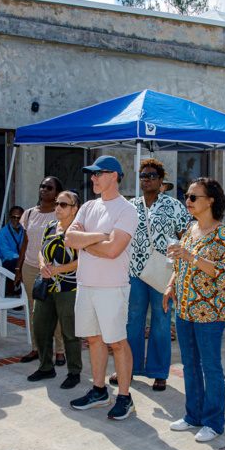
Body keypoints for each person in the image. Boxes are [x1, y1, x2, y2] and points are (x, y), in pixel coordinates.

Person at [64, 156, 139, 420]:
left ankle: (125, 397)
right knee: (94, 339)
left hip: (112, 287)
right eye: (92, 174)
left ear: (114, 176)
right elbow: (69, 238)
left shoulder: (127, 210)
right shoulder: (87, 207)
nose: (93, 178)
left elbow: (113, 251)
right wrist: (100, 237)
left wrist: (84, 243)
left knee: (117, 342)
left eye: (98, 173)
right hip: (86, 285)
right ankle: (99, 391)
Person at [163, 178, 225, 442]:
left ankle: (214, 422)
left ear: (210, 200)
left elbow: (224, 273)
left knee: (210, 366)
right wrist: (170, 285)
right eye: (187, 196)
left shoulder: (222, 234)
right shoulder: (190, 229)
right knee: (190, 364)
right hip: (184, 308)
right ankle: (193, 415)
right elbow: (179, 265)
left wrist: (191, 256)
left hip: (210, 312)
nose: (188, 201)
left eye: (194, 197)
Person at [121, 158, 191, 391]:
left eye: (152, 176)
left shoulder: (174, 206)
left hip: (162, 271)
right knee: (133, 320)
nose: (146, 179)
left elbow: (186, 238)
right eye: (143, 175)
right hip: (134, 271)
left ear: (161, 180)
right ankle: (129, 368)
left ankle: (159, 371)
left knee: (161, 321)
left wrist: (178, 268)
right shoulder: (130, 205)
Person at [26, 190, 84, 389]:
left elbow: (81, 260)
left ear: (75, 209)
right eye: (57, 203)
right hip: (46, 285)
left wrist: (58, 270)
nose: (58, 207)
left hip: (68, 287)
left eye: (64, 204)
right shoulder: (51, 226)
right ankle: (45, 367)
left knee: (70, 332)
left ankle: (74, 371)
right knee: (40, 327)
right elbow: (42, 251)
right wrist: (42, 265)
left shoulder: (79, 230)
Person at [16, 176, 64, 365]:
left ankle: (60, 350)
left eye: (49, 187)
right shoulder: (28, 214)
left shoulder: (61, 213)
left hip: (53, 269)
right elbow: (25, 243)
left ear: (57, 192)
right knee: (34, 309)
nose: (44, 189)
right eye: (42, 186)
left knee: (56, 309)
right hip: (30, 267)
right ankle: (37, 348)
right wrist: (18, 268)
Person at [0, 205, 25, 295]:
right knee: (18, 265)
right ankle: (17, 294)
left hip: (20, 259)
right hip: (5, 261)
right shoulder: (3, 233)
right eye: (13, 217)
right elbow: (7, 254)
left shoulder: (25, 230)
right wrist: (22, 258)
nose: (16, 220)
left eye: (19, 217)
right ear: (9, 217)